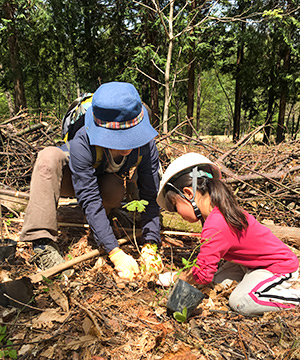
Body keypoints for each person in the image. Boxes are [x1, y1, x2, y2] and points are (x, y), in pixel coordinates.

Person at [20, 81, 163, 281]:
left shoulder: (146, 145)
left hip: (107, 182)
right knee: (48, 158)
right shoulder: (82, 141)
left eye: (131, 138)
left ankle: (104, 220)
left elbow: (150, 193)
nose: (127, 147)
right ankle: (42, 242)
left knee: (114, 190)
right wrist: (115, 252)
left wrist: (150, 244)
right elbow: (88, 197)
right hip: (72, 180)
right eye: (118, 140)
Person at [156, 152, 300, 316]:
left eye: (175, 206)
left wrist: (176, 278)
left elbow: (202, 275)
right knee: (216, 282)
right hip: (249, 264)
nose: (177, 213)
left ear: (188, 193)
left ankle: (294, 297)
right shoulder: (219, 211)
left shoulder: (216, 224)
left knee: (241, 301)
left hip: (276, 267)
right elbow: (206, 265)